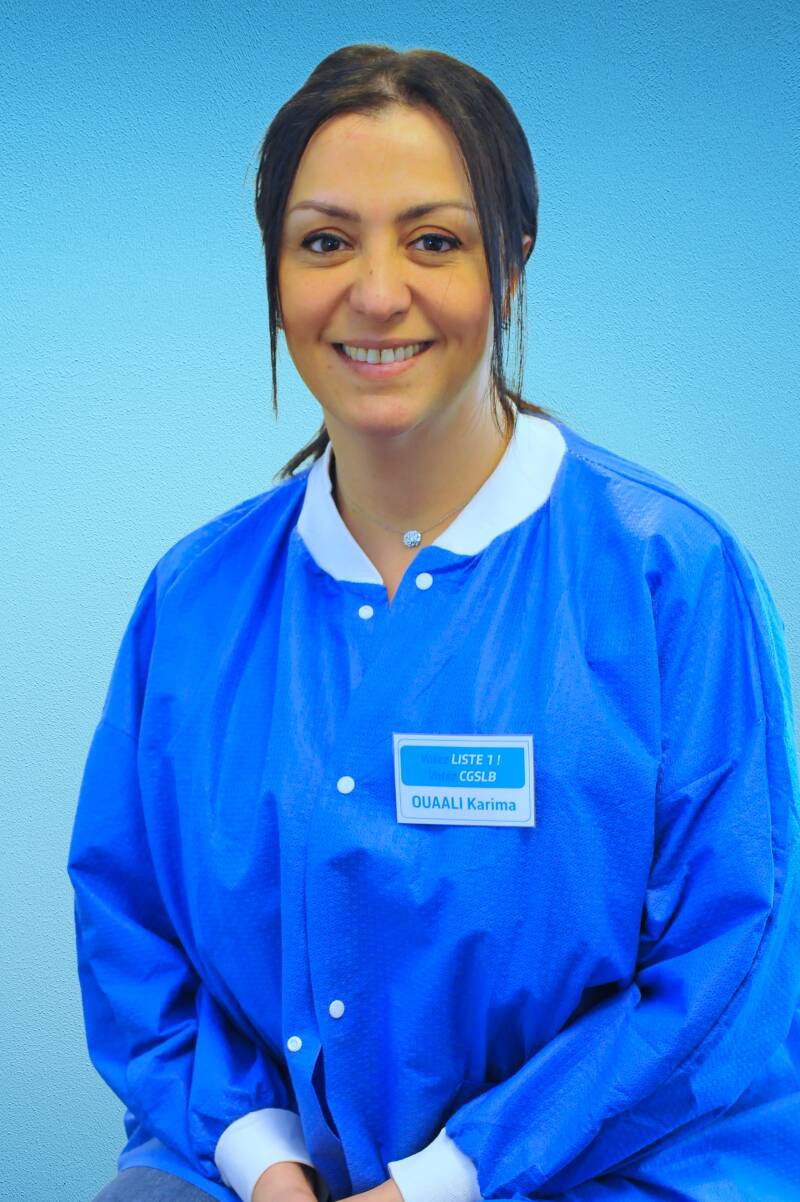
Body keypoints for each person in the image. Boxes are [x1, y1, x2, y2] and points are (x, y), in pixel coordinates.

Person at [67, 42, 800, 1202]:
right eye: (324, 241)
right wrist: (262, 1157)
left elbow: (723, 961)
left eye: (432, 240)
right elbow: (131, 929)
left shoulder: (671, 578)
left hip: (613, 1164)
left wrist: (448, 1177)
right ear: (274, 272)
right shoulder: (195, 598)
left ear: (510, 262)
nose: (374, 291)